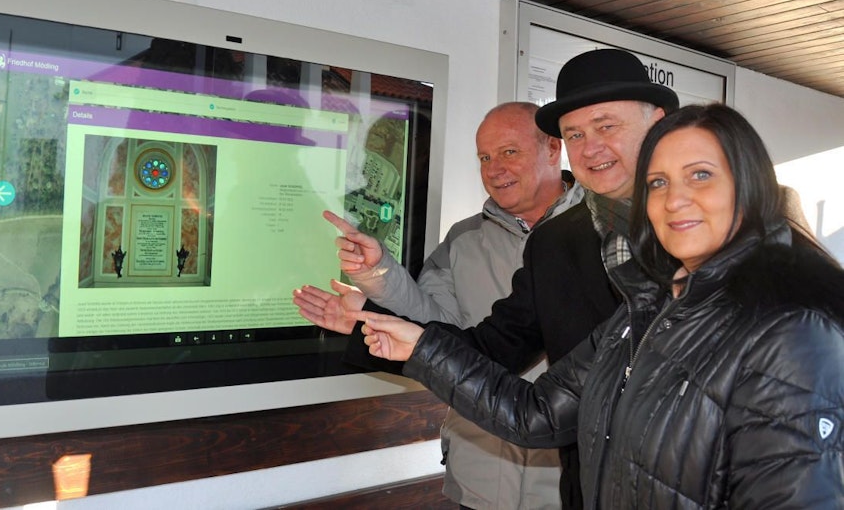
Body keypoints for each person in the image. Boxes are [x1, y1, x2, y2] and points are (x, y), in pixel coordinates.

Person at [355, 103, 844, 508]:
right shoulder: (644, 309)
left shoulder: (791, 331)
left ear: (749, 186)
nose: (675, 200)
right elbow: (537, 413)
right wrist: (420, 346)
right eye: (658, 183)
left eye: (700, 175)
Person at [295, 47, 678, 508]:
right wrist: (374, 321)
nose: (590, 147)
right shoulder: (554, 244)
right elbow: (492, 351)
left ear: (657, 123)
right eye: (575, 133)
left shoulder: (712, 229)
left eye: (606, 126)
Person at [297, 102, 583, 509]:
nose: (494, 169)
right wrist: (377, 276)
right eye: (485, 157)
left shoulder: (599, 235)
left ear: (553, 148)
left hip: (567, 488)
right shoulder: (463, 239)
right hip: (480, 481)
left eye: (509, 152)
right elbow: (435, 326)